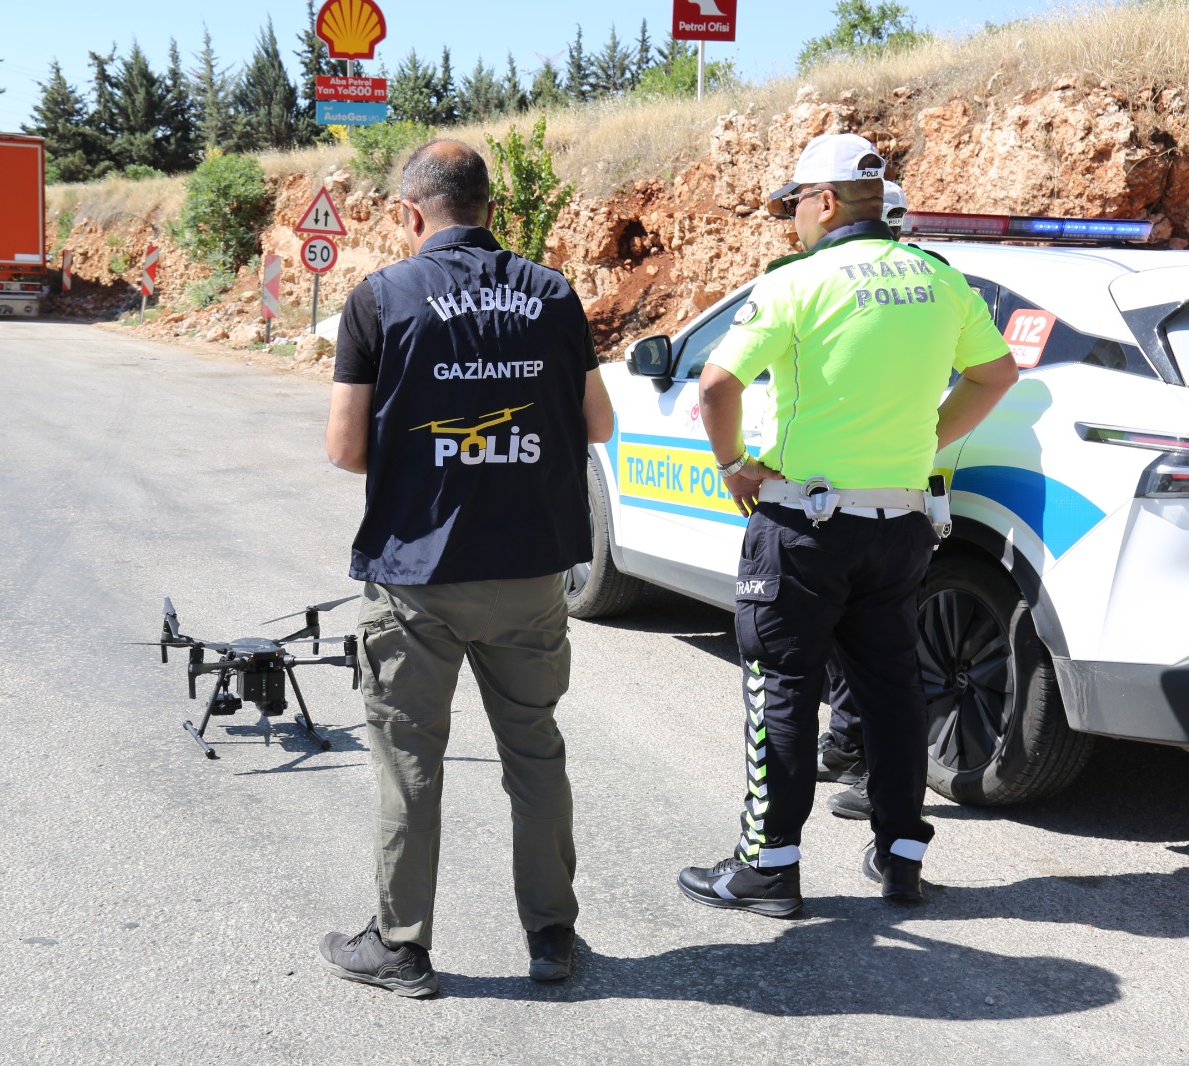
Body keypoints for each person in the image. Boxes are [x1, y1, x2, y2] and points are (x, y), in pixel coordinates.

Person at [677, 133, 1018, 916]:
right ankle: (901, 859)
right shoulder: (938, 278)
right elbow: (996, 373)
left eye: (795, 203)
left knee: (783, 690)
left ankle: (769, 868)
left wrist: (733, 465)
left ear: (825, 202)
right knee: (894, 692)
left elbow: (718, 384)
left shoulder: (797, 281)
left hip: (804, 526)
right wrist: (926, 441)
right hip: (900, 525)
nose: (793, 219)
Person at [321, 140, 615, 996]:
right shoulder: (552, 293)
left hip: (419, 577)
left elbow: (345, 448)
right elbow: (598, 424)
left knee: (410, 759)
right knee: (536, 753)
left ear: (411, 214)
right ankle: (552, 938)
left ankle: (402, 946)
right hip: (530, 572)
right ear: (490, 208)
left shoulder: (380, 298)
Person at [820, 176, 914, 821]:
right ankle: (850, 745)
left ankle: (863, 763)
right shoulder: (931, 282)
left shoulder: (817, 279)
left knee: (866, 647)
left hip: (838, 494)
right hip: (902, 490)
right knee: (866, 641)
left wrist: (737, 464)